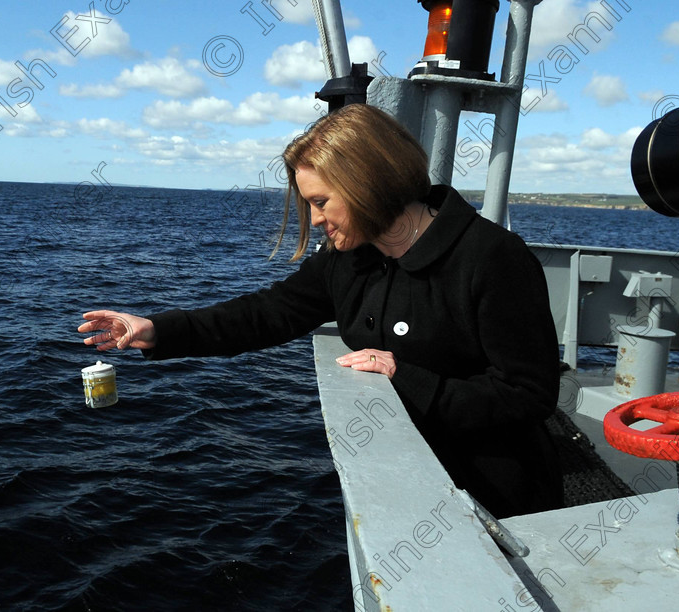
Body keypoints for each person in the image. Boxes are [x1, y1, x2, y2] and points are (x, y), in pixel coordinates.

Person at [77, 103, 563, 519]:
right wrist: (157, 329)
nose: (313, 219)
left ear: (368, 183)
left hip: (498, 498)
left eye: (321, 201)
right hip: (403, 485)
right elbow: (267, 313)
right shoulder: (350, 259)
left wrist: (406, 375)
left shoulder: (491, 257)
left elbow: (528, 394)